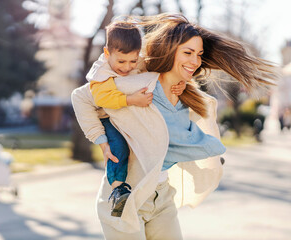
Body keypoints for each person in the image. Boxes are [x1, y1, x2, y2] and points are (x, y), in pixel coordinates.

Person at [72, 14, 277, 239]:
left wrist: (211, 154)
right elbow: (81, 97)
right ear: (170, 51)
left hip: (161, 197)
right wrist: (100, 140)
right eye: (187, 53)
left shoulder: (185, 96)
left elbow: (180, 140)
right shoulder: (137, 85)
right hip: (125, 199)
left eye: (199, 55)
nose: (195, 61)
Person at [86, 20, 187, 217]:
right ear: (107, 54)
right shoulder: (101, 73)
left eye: (133, 61)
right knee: (118, 147)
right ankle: (118, 188)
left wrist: (178, 85)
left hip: (132, 113)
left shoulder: (139, 62)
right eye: (121, 62)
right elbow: (102, 98)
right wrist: (131, 99)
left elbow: (157, 78)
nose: (127, 67)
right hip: (109, 117)